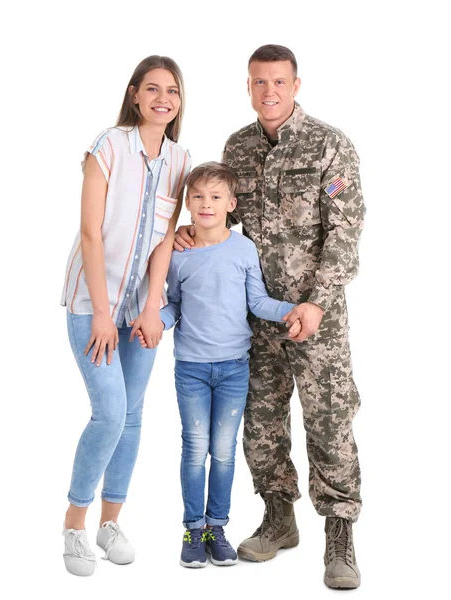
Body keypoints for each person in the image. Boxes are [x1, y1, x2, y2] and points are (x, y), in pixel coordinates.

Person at [174, 45, 365, 589]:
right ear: (249, 86)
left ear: (296, 85)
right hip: (253, 320)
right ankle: (279, 518)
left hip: (315, 316)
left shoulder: (330, 145)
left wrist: (317, 300)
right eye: (259, 82)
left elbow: (345, 234)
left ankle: (341, 532)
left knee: (329, 421)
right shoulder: (236, 148)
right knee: (259, 423)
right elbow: (218, 215)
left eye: (279, 82)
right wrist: (191, 234)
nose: (269, 92)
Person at [60, 55, 191, 576]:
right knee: (110, 412)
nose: (163, 98)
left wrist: (154, 307)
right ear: (135, 94)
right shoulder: (109, 145)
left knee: (133, 414)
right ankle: (74, 524)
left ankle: (110, 522)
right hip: (93, 306)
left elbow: (163, 241)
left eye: (173, 91)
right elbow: (91, 232)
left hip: (140, 313)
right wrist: (102, 314)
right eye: (153, 89)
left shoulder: (181, 159)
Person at [138, 162, 301, 568]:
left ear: (231, 204)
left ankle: (217, 528)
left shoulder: (244, 249)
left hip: (233, 368)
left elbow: (257, 302)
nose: (206, 204)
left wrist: (293, 309)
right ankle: (194, 530)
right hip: (191, 368)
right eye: (197, 197)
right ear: (187, 204)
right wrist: (157, 321)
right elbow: (174, 303)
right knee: (195, 450)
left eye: (215, 197)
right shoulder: (177, 254)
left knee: (224, 452)